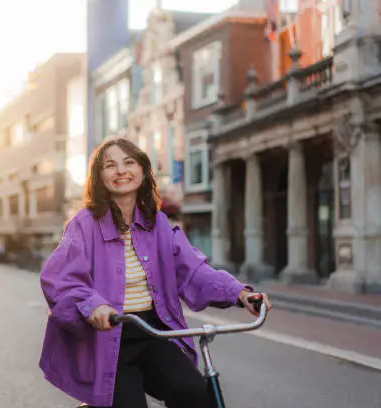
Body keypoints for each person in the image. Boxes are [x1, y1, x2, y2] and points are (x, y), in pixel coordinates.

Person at [39, 137, 271, 408]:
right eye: (110, 166)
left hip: (153, 331)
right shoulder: (83, 225)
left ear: (143, 170)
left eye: (129, 162)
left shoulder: (157, 223)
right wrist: (93, 306)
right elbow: (61, 279)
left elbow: (193, 270)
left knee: (194, 391)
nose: (121, 171)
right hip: (108, 336)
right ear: (99, 177)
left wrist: (239, 293)